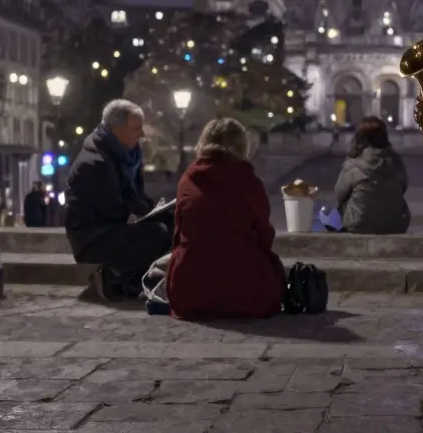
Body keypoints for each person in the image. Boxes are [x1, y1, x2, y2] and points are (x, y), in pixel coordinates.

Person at [165, 117, 286, 320]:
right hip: (246, 293)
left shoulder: (188, 179)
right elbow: (265, 235)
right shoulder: (249, 181)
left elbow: (179, 232)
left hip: (188, 293)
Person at [64, 99, 171, 301]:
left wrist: (157, 209)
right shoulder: (94, 163)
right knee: (157, 233)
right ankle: (112, 277)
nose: (142, 134)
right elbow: (114, 209)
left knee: (171, 222)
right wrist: (144, 213)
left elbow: (135, 198)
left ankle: (136, 281)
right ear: (116, 130)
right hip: (92, 238)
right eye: (136, 129)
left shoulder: (129, 155)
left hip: (112, 228)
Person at [333, 116, 411, 234]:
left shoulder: (352, 164)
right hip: (395, 223)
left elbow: (339, 195)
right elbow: (403, 187)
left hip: (358, 224)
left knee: (336, 209)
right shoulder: (396, 162)